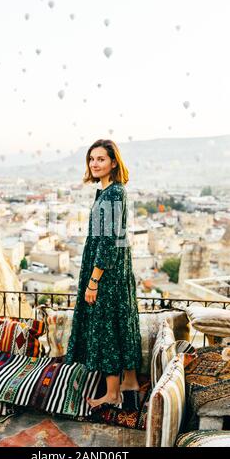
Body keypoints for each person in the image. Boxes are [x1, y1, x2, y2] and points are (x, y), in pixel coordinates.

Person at [65, 139, 142, 411]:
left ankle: (112, 395)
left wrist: (94, 280)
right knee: (122, 320)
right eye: (91, 159)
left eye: (100, 159)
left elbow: (108, 240)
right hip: (117, 265)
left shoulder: (113, 194)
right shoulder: (111, 191)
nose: (94, 164)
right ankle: (129, 386)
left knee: (106, 324)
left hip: (107, 269)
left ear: (113, 162)